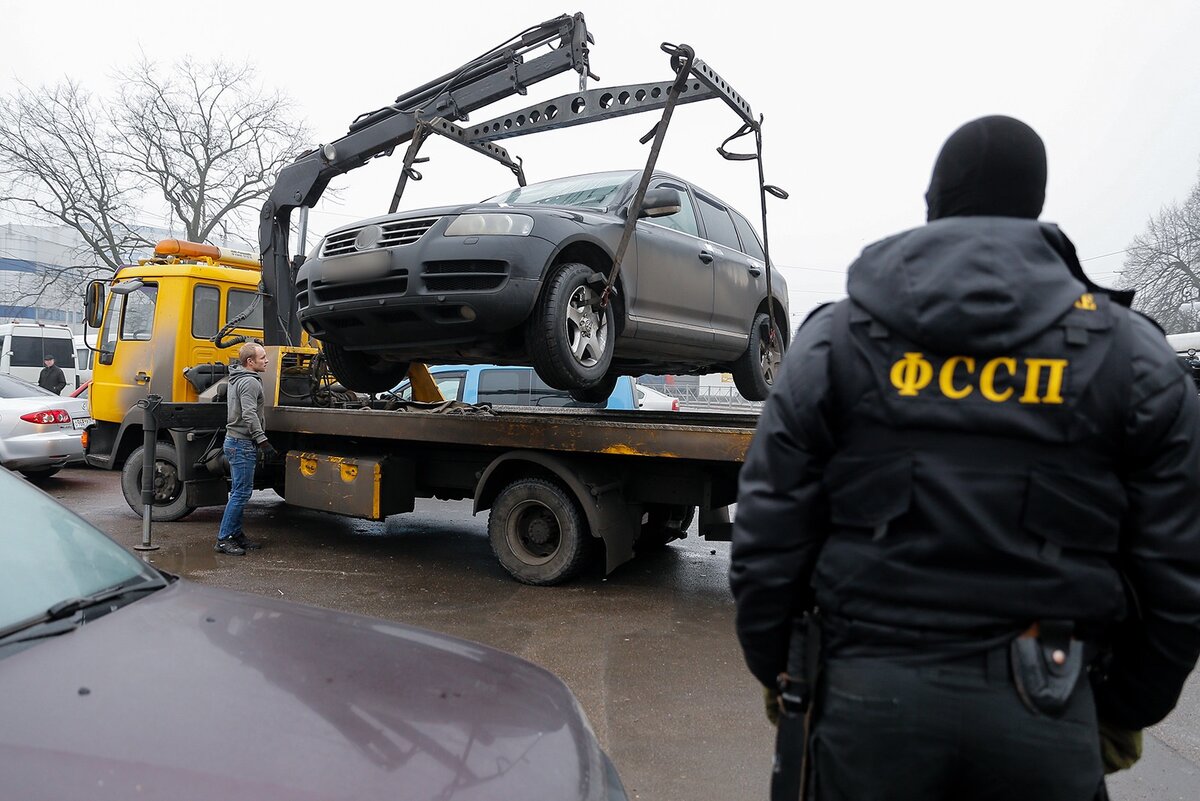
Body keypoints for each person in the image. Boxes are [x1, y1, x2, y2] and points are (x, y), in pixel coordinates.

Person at [730, 115, 1200, 800]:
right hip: (1048, 705)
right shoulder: (1132, 357)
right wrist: (1120, 710)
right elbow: (1176, 574)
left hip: (864, 704)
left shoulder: (836, 341)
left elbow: (767, 534)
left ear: (934, 204)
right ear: (1032, 205)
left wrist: (784, 672)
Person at [215, 342, 278, 555]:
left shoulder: (237, 378)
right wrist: (263, 441)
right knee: (241, 494)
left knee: (239, 493)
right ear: (250, 362)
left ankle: (236, 534)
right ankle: (223, 539)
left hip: (235, 441)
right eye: (262, 357)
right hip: (242, 443)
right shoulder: (250, 383)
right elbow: (249, 414)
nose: (266, 360)